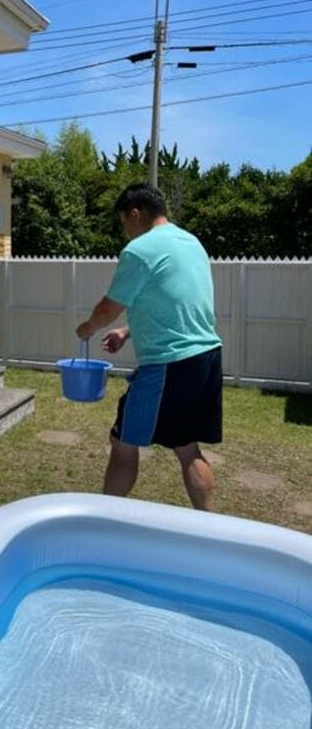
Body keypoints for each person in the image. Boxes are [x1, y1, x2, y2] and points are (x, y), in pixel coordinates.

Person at [76, 183, 222, 511]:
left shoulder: (141, 249)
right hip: (206, 357)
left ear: (136, 213)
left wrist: (87, 328)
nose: (125, 231)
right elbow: (179, 301)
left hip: (170, 363)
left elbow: (109, 307)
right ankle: (212, 526)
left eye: (123, 222)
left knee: (124, 442)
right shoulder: (191, 242)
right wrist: (128, 331)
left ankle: (106, 518)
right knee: (187, 448)